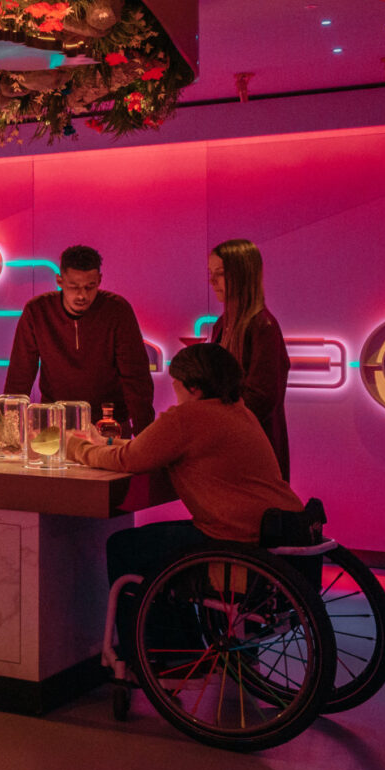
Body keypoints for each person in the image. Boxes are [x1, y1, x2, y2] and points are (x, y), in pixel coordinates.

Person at [65, 342, 304, 586]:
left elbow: (127, 460)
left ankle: (145, 612)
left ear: (193, 387)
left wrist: (75, 447)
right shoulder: (238, 411)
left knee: (123, 545)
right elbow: (148, 449)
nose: (174, 390)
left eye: (175, 383)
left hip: (234, 537)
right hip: (278, 529)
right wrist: (105, 442)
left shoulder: (187, 417)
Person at [4, 244, 154, 437]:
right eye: (74, 286)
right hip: (54, 423)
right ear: (59, 281)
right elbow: (20, 375)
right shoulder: (38, 311)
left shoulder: (117, 310)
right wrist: (8, 433)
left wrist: (145, 435)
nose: (82, 295)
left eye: (90, 286)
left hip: (109, 424)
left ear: (99, 280)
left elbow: (136, 377)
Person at [208, 238, 291, 480]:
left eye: (220, 273)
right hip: (229, 449)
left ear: (242, 274)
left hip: (254, 453)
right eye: (211, 273)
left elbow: (262, 398)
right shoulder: (223, 324)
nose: (212, 282)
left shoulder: (263, 326)